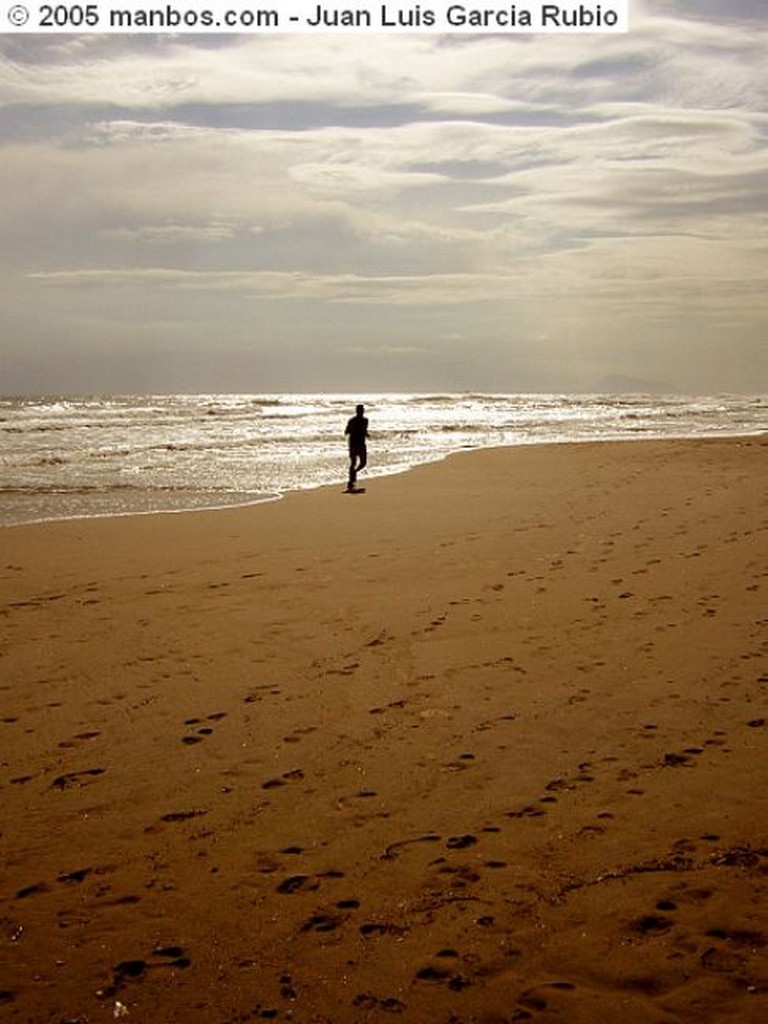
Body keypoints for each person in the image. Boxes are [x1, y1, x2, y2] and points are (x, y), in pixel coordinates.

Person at [344, 404, 369, 491]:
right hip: (354, 444)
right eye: (360, 410)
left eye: (362, 410)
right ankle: (351, 482)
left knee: (363, 463)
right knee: (353, 463)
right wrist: (354, 430)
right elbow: (346, 432)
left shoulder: (365, 420)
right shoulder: (352, 420)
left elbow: (365, 430)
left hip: (361, 444)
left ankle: (353, 473)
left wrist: (366, 434)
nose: (361, 412)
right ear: (357, 411)